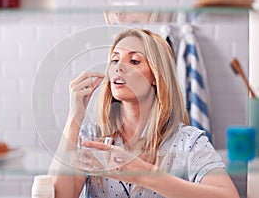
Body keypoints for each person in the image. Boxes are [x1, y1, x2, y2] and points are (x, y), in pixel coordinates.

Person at [48, 28, 239, 198]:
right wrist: (74, 119)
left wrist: (146, 175)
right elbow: (57, 195)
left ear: (156, 77)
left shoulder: (188, 142)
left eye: (134, 60)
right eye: (115, 59)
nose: (118, 66)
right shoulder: (92, 138)